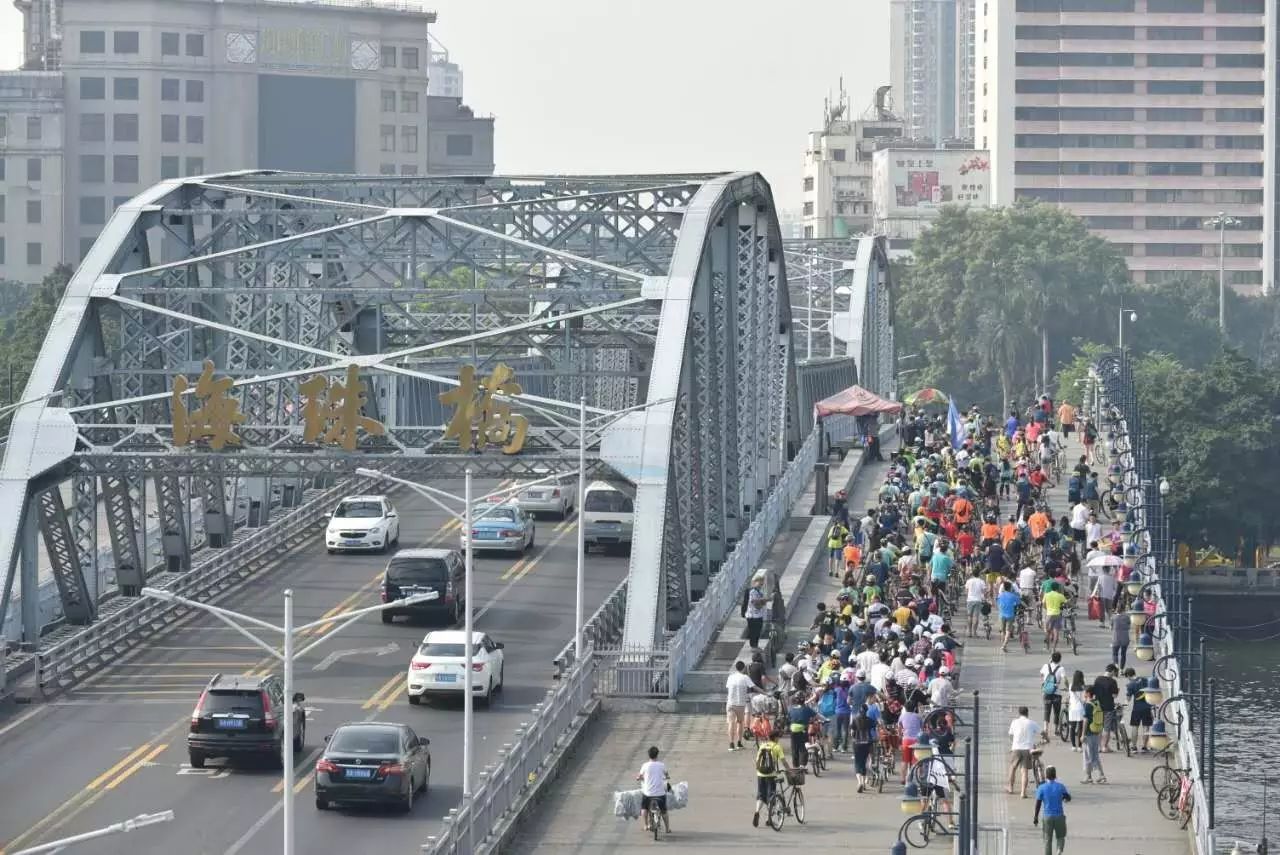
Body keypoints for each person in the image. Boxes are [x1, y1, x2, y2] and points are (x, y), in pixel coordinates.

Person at [752, 727, 790, 828]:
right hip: (771, 774)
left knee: (760, 795)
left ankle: (756, 812)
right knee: (771, 796)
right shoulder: (777, 747)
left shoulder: (762, 745)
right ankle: (769, 818)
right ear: (776, 738)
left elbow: (757, 761)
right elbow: (783, 761)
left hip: (760, 774)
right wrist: (789, 770)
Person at [1033, 765, 1072, 855]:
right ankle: (1059, 850)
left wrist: (1035, 817)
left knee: (1047, 840)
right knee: (1061, 836)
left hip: (1047, 816)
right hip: (1059, 816)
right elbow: (1068, 797)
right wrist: (1064, 798)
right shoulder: (1060, 786)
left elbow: (1038, 804)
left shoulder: (1042, 787)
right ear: (1055, 775)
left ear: (1046, 775)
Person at [1007, 705, 1043, 798]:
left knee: (1013, 768)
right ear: (1027, 713)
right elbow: (1042, 732)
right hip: (1027, 749)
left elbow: (1010, 735)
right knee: (1024, 771)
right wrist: (1047, 739)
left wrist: (1014, 742)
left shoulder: (1014, 722)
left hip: (1016, 748)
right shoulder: (1031, 723)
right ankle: (1023, 792)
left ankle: (1010, 787)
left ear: (1019, 713)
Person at [636, 745, 671, 835]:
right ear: (657, 755)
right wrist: (667, 777)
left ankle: (646, 825)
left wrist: (638, 777)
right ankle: (667, 828)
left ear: (649, 755)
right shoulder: (661, 765)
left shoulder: (645, 765)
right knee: (664, 811)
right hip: (660, 793)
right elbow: (667, 775)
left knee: (644, 808)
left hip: (648, 793)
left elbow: (639, 776)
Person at [725, 660, 756, 751]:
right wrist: (765, 692)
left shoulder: (730, 677)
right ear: (744, 668)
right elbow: (753, 687)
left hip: (730, 703)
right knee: (740, 723)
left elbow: (728, 687)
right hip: (740, 704)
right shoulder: (745, 677)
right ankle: (739, 743)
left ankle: (731, 744)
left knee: (731, 723)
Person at [1092, 665, 1121, 753]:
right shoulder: (1112, 681)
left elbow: (1094, 692)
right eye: (1114, 672)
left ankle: (1098, 747)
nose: (1114, 674)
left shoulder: (1098, 679)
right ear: (1112, 671)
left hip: (1098, 707)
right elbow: (1114, 695)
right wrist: (1118, 691)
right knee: (1106, 728)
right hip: (1108, 707)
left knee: (1099, 727)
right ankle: (1104, 746)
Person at [1081, 688, 1107, 784]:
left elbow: (1086, 720)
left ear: (1088, 693)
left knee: (1088, 756)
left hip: (1089, 732)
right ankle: (1101, 775)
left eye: (1085, 692)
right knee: (1095, 755)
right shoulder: (1097, 703)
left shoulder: (1088, 705)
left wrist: (1082, 734)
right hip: (1096, 731)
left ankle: (1089, 776)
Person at [1040, 652, 1066, 739]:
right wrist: (1067, 687)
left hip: (1046, 692)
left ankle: (1045, 730)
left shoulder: (1045, 666)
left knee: (1047, 711)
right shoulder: (1061, 668)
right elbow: (1065, 679)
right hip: (1056, 693)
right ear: (1060, 659)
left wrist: (1044, 683)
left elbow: (1041, 675)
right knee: (1056, 712)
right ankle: (1056, 730)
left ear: (1051, 658)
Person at [850, 703, 874, 793]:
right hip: (867, 743)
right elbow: (874, 726)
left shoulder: (855, 719)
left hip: (857, 743)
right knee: (864, 762)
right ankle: (864, 783)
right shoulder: (869, 720)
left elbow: (852, 732)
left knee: (857, 763)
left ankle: (859, 782)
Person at [743, 571, 769, 649]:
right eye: (760, 583)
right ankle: (753, 646)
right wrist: (764, 599)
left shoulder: (760, 591)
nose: (761, 585)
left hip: (759, 615)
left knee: (758, 631)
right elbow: (754, 602)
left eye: (762, 583)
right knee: (753, 631)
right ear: (755, 582)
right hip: (752, 615)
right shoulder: (752, 591)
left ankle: (756, 645)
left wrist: (763, 601)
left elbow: (761, 603)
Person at [996, 580, 1021, 653]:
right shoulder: (1013, 595)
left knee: (1002, 631)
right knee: (1008, 631)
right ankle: (1004, 645)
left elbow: (998, 603)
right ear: (1010, 588)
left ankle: (1003, 644)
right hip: (1010, 615)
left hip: (1001, 614)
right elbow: (1018, 602)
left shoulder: (1000, 595)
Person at [1042, 582, 1068, 653]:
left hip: (1049, 615)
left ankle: (1047, 647)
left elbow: (1043, 604)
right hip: (1057, 614)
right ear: (1057, 588)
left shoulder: (1046, 595)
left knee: (1048, 631)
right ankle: (1053, 648)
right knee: (1056, 632)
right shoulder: (1060, 596)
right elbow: (1066, 602)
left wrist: (1047, 609)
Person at [964, 568, 989, 638]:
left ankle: (969, 632)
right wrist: (986, 595)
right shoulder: (981, 582)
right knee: (976, 617)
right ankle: (974, 632)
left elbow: (966, 591)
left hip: (970, 600)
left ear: (972, 574)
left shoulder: (969, 581)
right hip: (978, 600)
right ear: (979, 574)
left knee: (969, 616)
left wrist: (968, 597)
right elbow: (984, 592)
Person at [1066, 670, 1087, 751]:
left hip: (1072, 709)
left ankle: (1073, 746)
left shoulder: (1071, 686)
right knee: (1080, 728)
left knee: (1072, 727)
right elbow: (1084, 699)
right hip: (1080, 708)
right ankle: (1080, 746)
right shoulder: (1083, 687)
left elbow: (1070, 696)